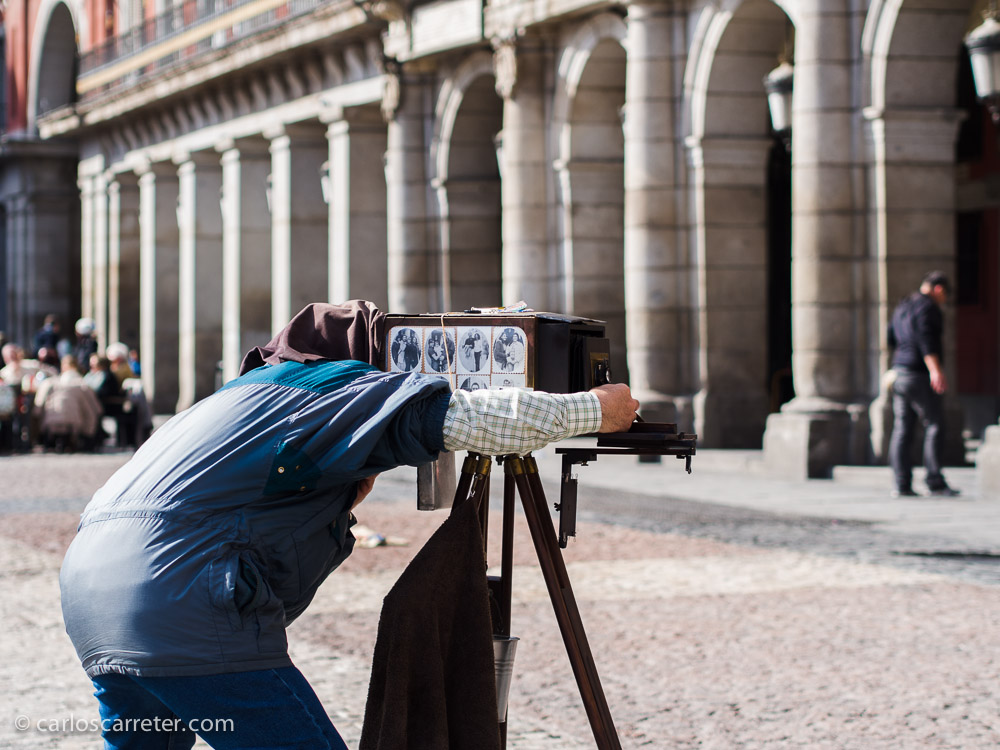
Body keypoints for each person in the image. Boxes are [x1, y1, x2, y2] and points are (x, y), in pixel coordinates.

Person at [59, 301, 640, 750]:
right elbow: (484, 420)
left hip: (91, 596)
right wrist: (594, 408)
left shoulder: (236, 398)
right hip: (180, 603)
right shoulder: (331, 388)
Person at [887, 271, 959, 498]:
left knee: (902, 429)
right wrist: (935, 370)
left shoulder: (903, 306)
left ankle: (901, 483)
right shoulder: (928, 307)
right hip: (918, 374)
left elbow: (891, 338)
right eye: (945, 296)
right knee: (935, 424)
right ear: (939, 289)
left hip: (899, 373)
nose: (943, 301)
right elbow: (926, 339)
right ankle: (934, 481)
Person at [34, 355, 103, 451]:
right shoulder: (82, 384)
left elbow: (38, 405)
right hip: (76, 422)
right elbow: (96, 408)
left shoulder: (50, 383)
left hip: (49, 421)